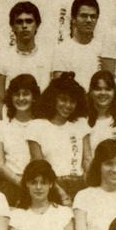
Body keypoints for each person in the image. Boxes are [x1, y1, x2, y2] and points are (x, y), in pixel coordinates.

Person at [27, 74, 89, 204]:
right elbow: (40, 167)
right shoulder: (36, 126)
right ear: (53, 99)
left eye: (72, 101)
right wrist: (59, 192)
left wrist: (88, 189)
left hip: (80, 184)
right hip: (51, 186)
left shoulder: (81, 123)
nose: (68, 105)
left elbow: (87, 160)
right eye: (63, 99)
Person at [0, 1, 55, 115]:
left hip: (42, 117)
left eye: (29, 21)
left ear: (37, 25)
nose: (24, 26)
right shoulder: (2, 56)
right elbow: (1, 99)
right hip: (12, 118)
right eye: (19, 22)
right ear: (12, 27)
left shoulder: (49, 55)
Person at [0, 74, 41, 206]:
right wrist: (20, 182)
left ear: (34, 97)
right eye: (16, 94)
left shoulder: (42, 124)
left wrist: (31, 183)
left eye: (25, 94)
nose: (20, 98)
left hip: (37, 183)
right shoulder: (2, 126)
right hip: (9, 183)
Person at [51, 0, 104, 90]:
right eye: (84, 16)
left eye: (93, 16)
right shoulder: (62, 50)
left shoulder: (102, 48)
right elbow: (59, 88)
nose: (89, 20)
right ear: (73, 19)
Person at [83, 70, 116, 169]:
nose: (103, 93)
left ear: (114, 92)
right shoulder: (82, 121)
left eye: (107, 89)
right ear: (91, 92)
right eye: (98, 89)